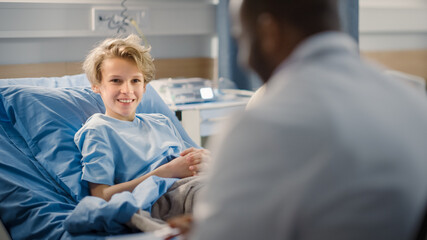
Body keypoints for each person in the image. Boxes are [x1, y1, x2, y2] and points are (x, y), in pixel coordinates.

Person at [184, 0, 427, 239]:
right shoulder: (414, 102)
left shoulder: (261, 125)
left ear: (269, 32)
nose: (243, 59)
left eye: (243, 39)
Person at [74, 34, 208, 228]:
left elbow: (190, 162)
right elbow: (101, 195)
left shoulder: (160, 122)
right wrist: (165, 172)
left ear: (145, 86)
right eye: (116, 81)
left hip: (196, 184)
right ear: (96, 86)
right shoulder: (98, 130)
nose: (127, 90)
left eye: (135, 81)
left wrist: (206, 160)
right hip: (162, 197)